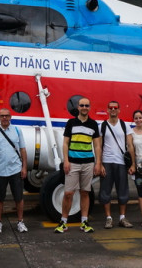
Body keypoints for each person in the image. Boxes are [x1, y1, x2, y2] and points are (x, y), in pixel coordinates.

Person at [54, 98, 101, 234]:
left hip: (88, 163)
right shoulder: (71, 123)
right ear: (78, 107)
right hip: (73, 163)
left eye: (87, 105)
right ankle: (63, 222)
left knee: (85, 192)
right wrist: (66, 160)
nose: (84, 107)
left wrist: (98, 163)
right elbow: (65, 143)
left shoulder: (93, 124)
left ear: (89, 107)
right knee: (68, 193)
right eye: (82, 105)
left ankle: (84, 222)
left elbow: (97, 145)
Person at [0, 108, 28, 234]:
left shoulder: (17, 130)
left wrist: (24, 167)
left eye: (7, 116)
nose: (4, 118)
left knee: (19, 197)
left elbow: (23, 150)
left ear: (10, 117)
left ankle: (20, 222)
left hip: (15, 169)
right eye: (2, 116)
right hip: (0, 170)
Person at [99, 100, 134, 229]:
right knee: (105, 191)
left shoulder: (125, 126)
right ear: (107, 110)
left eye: (115, 108)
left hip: (121, 162)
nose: (113, 110)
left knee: (123, 190)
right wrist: (99, 164)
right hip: (107, 162)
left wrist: (133, 164)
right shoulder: (102, 126)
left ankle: (122, 218)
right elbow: (98, 147)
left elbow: (130, 146)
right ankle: (108, 218)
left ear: (119, 110)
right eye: (110, 108)